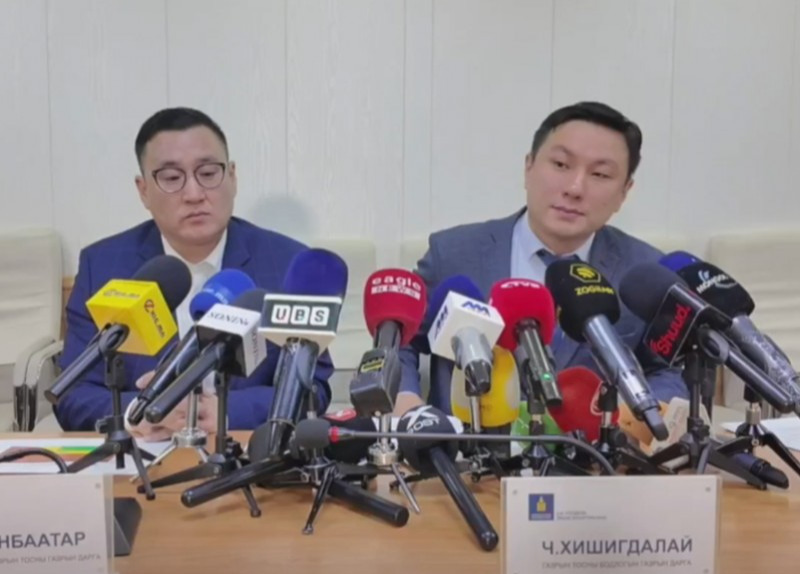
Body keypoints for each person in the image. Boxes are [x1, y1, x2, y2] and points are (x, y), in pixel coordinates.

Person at [56, 107, 334, 439]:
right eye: (172, 178)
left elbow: (312, 387)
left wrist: (228, 411)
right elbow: (73, 393)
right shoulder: (104, 266)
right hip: (144, 452)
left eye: (208, 173)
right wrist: (139, 412)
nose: (194, 194)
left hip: (245, 450)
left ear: (232, 177)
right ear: (143, 190)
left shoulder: (288, 263)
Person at [397, 101, 688, 415]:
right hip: (470, 443)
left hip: (594, 444)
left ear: (624, 193)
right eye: (561, 165)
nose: (575, 188)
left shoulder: (645, 273)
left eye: (600, 174)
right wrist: (406, 401)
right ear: (529, 167)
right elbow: (399, 343)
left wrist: (634, 417)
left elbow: (668, 371)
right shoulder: (454, 253)